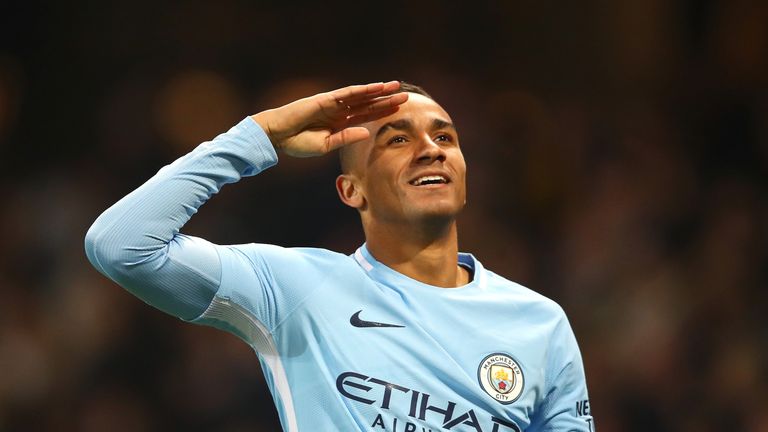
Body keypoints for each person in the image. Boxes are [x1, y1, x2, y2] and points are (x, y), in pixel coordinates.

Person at [85, 81, 595, 431]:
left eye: (445, 136)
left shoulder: (540, 323)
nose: (431, 148)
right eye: (399, 139)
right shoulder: (292, 289)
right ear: (351, 190)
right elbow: (122, 244)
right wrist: (261, 134)